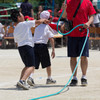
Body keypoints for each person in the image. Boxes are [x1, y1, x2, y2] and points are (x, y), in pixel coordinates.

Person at [11, 9, 49, 90]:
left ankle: (20, 82)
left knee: (26, 66)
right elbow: (37, 21)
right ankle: (22, 81)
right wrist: (44, 20)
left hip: (20, 48)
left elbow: (16, 41)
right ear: (18, 17)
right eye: (21, 15)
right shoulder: (24, 24)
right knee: (32, 65)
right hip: (27, 46)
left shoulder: (16, 28)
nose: (23, 16)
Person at [61, 0, 96, 86]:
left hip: (83, 33)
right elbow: (63, 16)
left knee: (84, 56)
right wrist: (64, 9)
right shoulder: (67, 1)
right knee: (73, 57)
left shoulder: (87, 2)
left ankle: (84, 77)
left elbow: (92, 16)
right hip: (72, 33)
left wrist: (88, 23)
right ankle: (74, 78)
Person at [27, 11, 56, 86]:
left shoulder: (37, 27)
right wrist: (53, 50)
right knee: (48, 64)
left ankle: (31, 77)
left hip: (35, 46)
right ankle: (49, 78)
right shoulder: (47, 27)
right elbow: (51, 39)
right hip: (42, 46)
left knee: (33, 64)